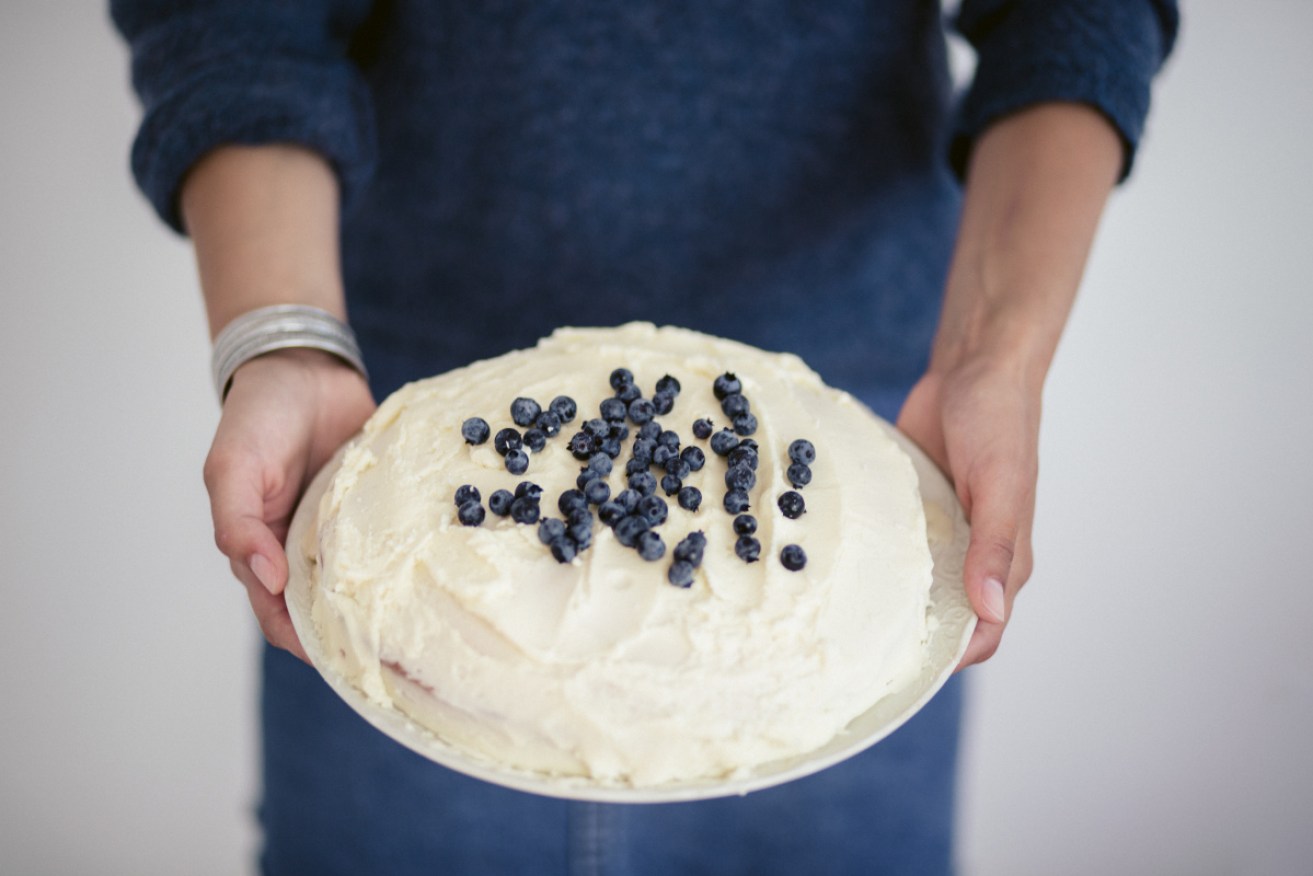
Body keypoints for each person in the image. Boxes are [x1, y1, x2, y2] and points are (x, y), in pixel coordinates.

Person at [112, 1, 1177, 873]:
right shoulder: (373, 515)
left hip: (856, 478)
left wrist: (990, 358)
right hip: (398, 473)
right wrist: (287, 338)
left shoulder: (872, 544)